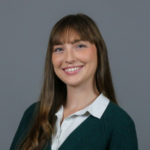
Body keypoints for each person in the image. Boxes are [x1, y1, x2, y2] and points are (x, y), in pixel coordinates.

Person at [10, 13, 138, 150]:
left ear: (99, 52)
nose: (68, 58)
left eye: (80, 46)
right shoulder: (33, 114)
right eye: (59, 49)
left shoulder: (119, 124)